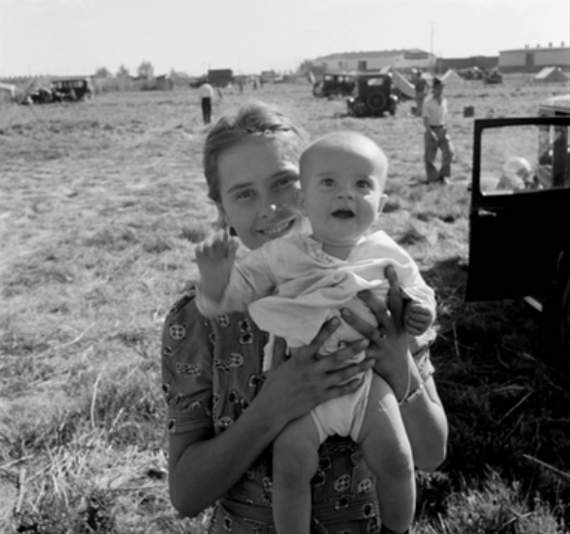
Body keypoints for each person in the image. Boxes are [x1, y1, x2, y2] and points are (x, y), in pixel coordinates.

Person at [161, 102, 448, 534]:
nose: (272, 208)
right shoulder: (198, 320)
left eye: (285, 183)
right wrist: (273, 408)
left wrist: (398, 360)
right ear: (220, 207)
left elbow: (430, 453)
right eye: (244, 193)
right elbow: (186, 495)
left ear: (310, 187)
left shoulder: (373, 288)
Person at [422, 77, 455, 184]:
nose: (441, 90)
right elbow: (425, 119)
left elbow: (445, 116)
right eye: (439, 88)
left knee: (449, 152)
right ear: (433, 89)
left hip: (442, 129)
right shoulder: (428, 102)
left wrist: (446, 127)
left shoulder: (444, 101)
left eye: (442, 88)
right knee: (429, 157)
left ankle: (444, 175)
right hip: (432, 128)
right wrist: (430, 132)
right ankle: (433, 178)